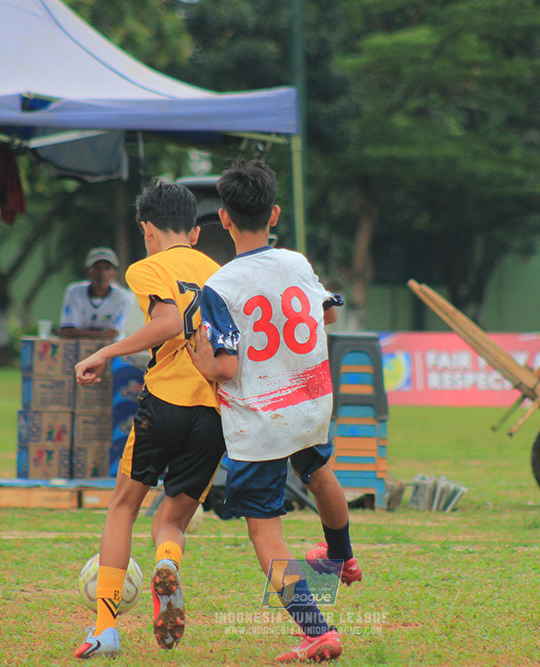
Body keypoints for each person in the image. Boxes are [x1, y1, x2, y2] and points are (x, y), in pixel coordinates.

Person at [188, 160, 359, 663]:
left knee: (265, 530)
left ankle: (317, 631)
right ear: (275, 214)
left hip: (260, 422)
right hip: (308, 404)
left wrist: (201, 362)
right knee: (319, 473)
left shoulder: (220, 285)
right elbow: (327, 313)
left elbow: (225, 366)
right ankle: (342, 557)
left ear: (224, 218)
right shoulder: (296, 262)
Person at [71, 179, 224, 659]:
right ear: (195, 233)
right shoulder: (219, 272)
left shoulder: (148, 268)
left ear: (146, 230)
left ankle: (105, 629)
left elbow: (168, 322)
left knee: (123, 506)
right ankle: (167, 564)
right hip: (214, 411)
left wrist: (105, 353)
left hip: (165, 403)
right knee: (172, 520)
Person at [59, 247, 134, 341]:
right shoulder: (74, 292)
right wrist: (102, 334)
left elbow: (113, 333)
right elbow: (67, 331)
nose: (102, 273)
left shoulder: (122, 296)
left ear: (115, 273)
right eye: (97, 268)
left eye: (107, 268)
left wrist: (80, 332)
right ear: (87, 272)